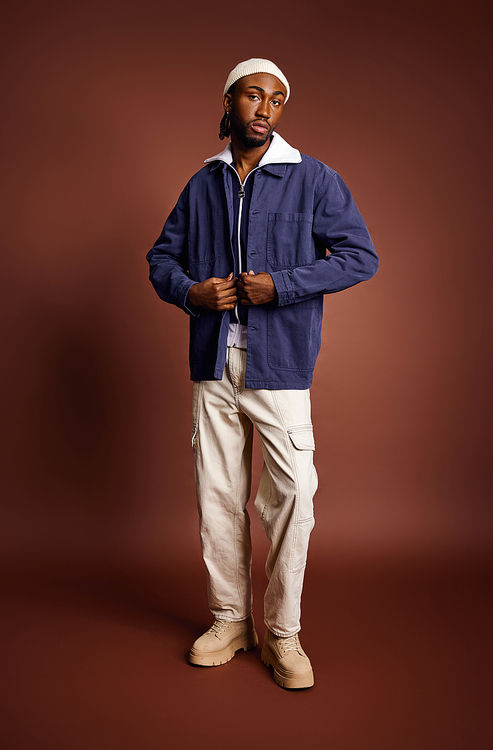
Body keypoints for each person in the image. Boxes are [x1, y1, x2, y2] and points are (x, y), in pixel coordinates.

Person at [147, 58, 378, 689]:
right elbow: (161, 256)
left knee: (291, 500)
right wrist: (191, 293)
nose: (265, 108)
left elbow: (361, 255)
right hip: (213, 362)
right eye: (254, 96)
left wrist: (283, 285)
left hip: (281, 365)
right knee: (218, 497)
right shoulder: (203, 183)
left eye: (277, 100)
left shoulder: (313, 179)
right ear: (229, 101)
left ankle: (282, 633)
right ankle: (230, 620)